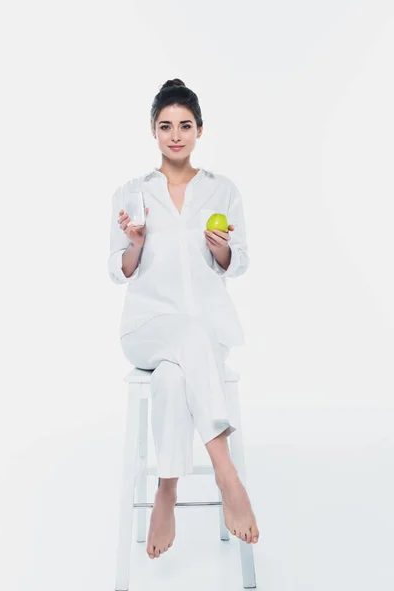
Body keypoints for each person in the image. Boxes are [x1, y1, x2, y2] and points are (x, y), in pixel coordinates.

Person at [108, 78, 259, 560]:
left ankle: (165, 492)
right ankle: (226, 473)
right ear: (153, 131)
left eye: (185, 125)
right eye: (166, 125)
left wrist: (223, 252)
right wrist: (135, 242)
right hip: (146, 328)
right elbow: (119, 270)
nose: (176, 134)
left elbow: (240, 262)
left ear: (200, 130)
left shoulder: (222, 190)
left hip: (203, 333)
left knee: (173, 379)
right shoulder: (133, 192)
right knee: (180, 341)